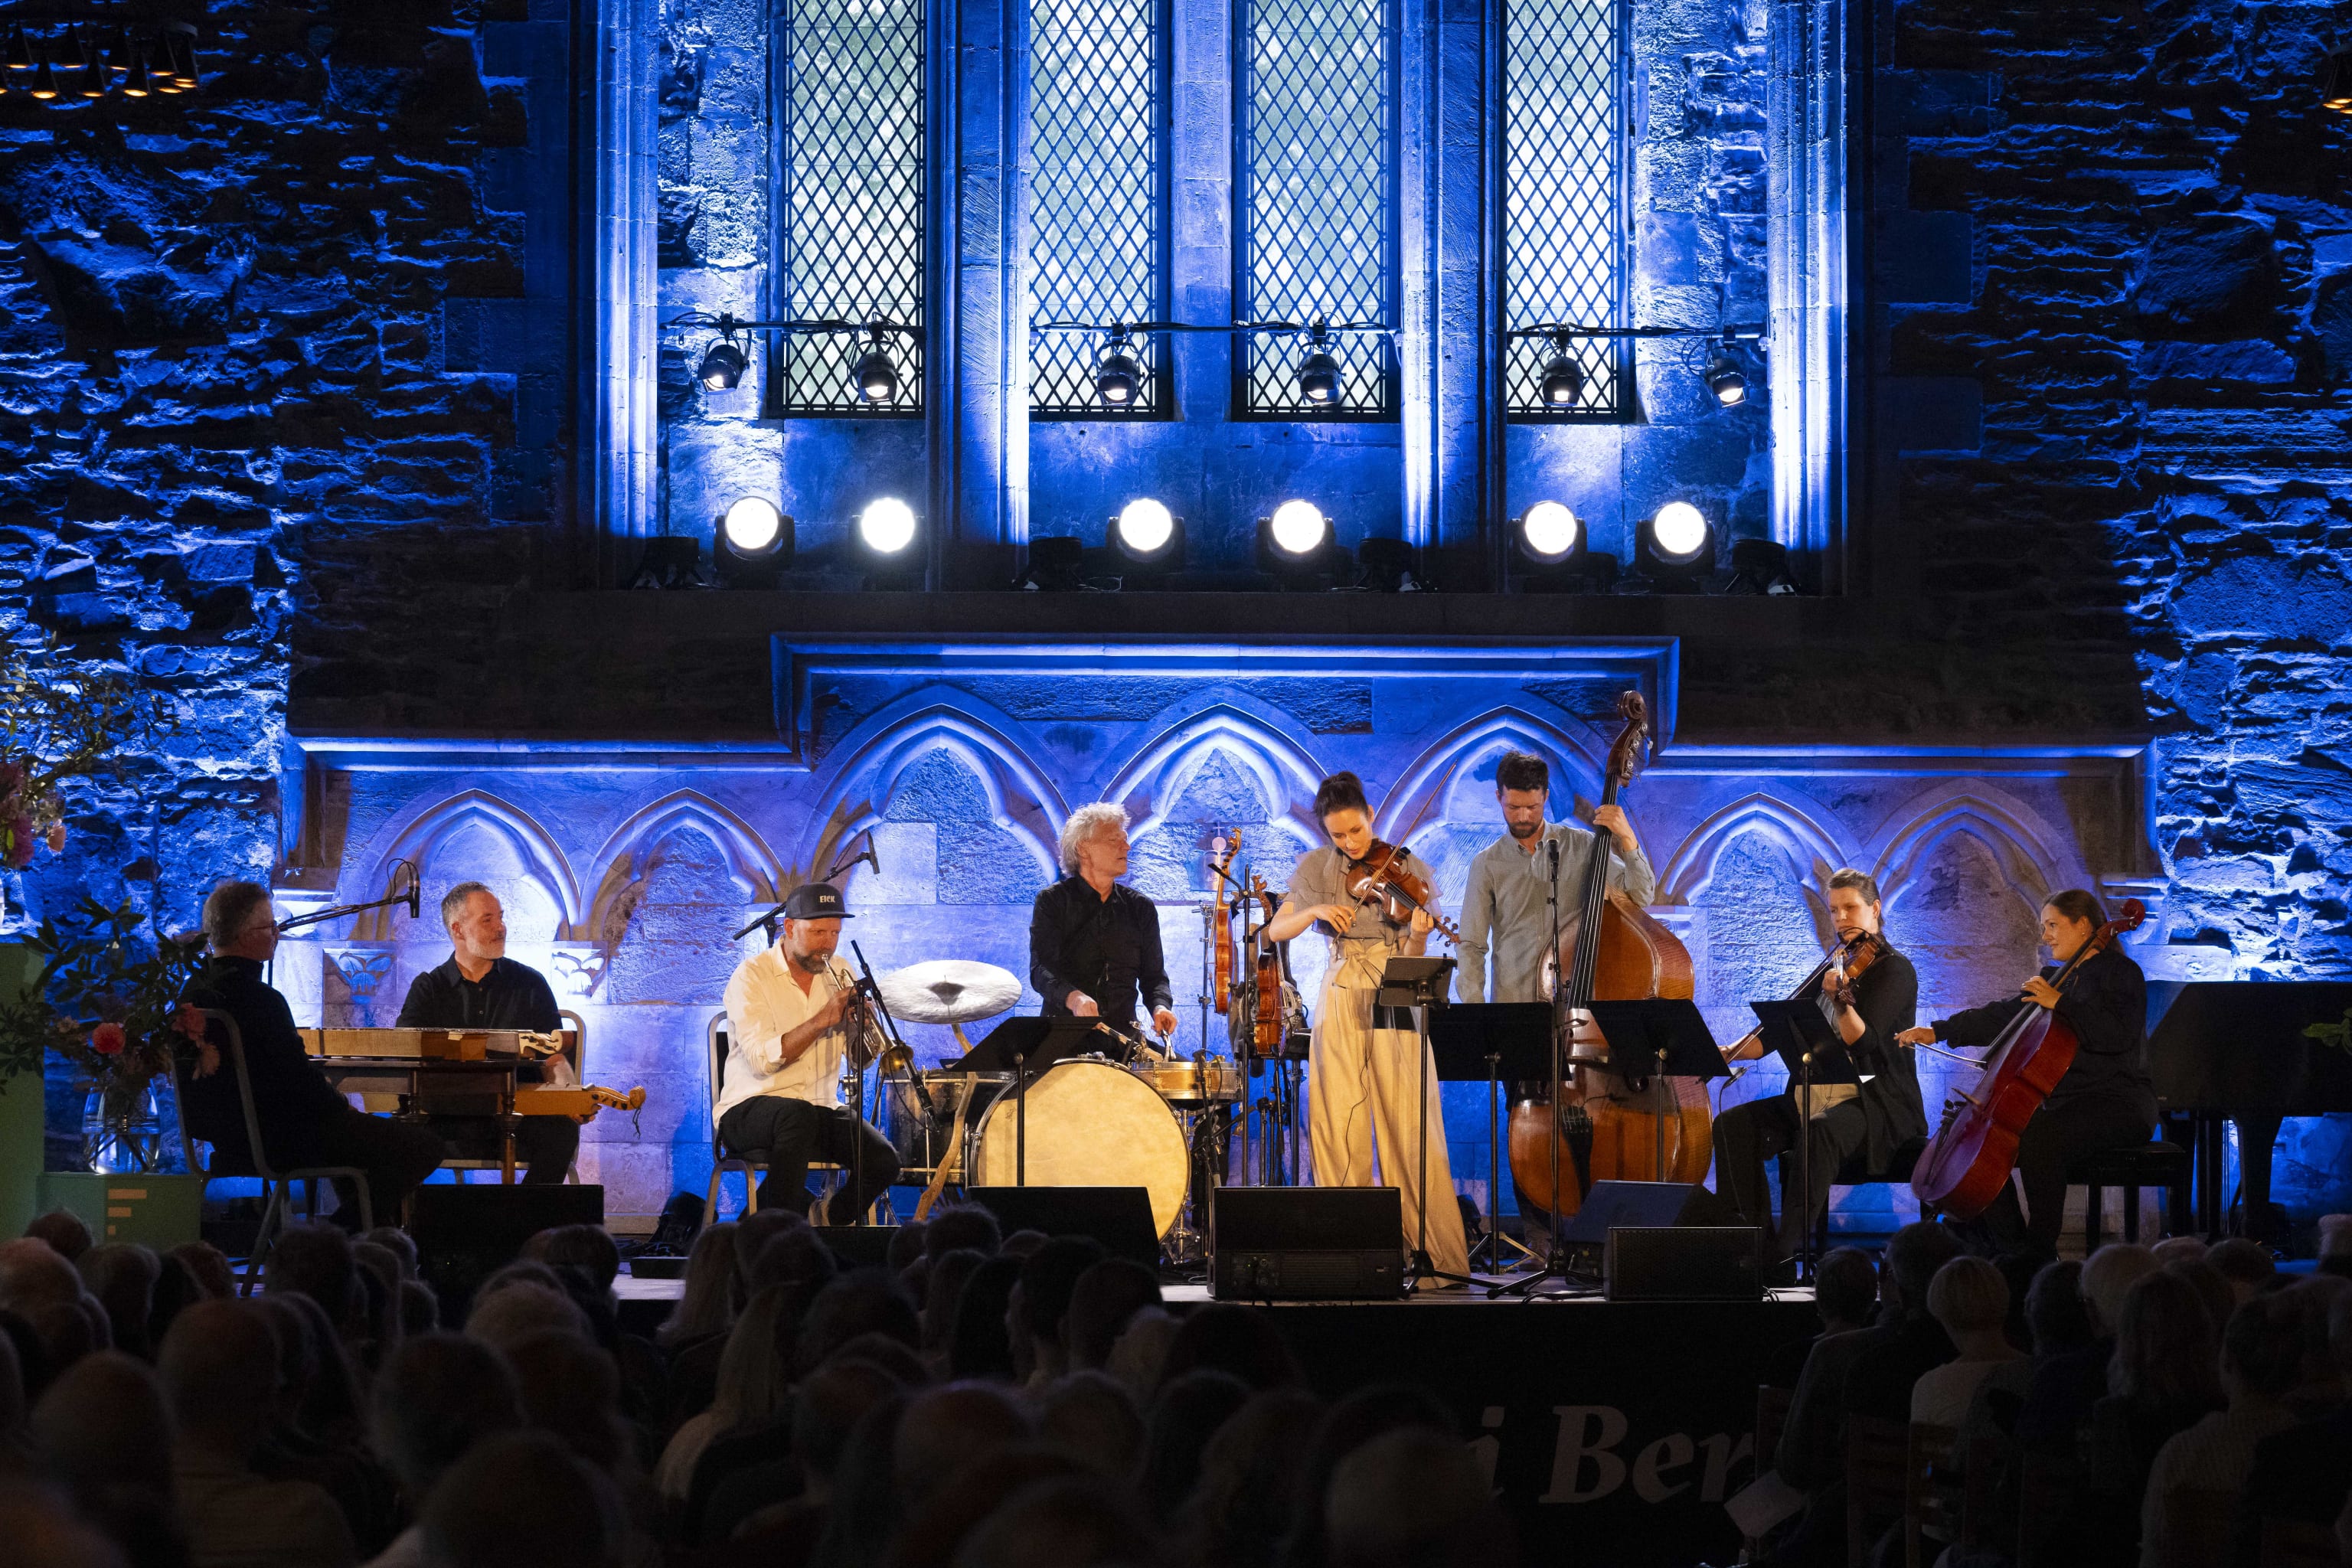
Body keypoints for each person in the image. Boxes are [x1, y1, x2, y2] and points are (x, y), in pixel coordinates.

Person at [1262, 773, 1468, 1281]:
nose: (1349, 844)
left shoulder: (1407, 864)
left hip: (1395, 981)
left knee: (1409, 1121)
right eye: (1338, 835)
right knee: (1338, 1121)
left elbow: (1418, 951)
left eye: (1355, 831)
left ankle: (1434, 1257)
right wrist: (1312, 908)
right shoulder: (1316, 866)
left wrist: (1418, 936)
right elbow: (1275, 929)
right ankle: (1348, 1255)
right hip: (1341, 987)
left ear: (1370, 815)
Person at [1898, 888, 2156, 1262]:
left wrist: (2061, 1004)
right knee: (1989, 1143)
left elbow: (2116, 1035)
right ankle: (2013, 1248)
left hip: (2120, 1101)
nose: (2046, 935)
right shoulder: (2057, 978)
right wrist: (1939, 1030)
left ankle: (2039, 1253)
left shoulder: (2121, 973)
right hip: (2068, 1104)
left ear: (2083, 926)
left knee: (2040, 1137)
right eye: (2043, 926)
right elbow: (2003, 1016)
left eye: (2053, 925)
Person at [181, 881, 446, 1228]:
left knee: (359, 1149)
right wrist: (342, 1106)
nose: (276, 933)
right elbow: (299, 1084)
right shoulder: (261, 1000)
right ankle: (333, 1240)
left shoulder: (190, 996)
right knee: (421, 1146)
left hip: (228, 1140)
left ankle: (361, 1248)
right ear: (246, 936)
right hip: (281, 1140)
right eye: (270, 926)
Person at [1714, 869, 1922, 1261]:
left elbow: (1862, 1042)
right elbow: (1770, 1039)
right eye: (1834, 910)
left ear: (1875, 909)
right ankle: (1749, 1243)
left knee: (1819, 1132)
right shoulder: (1832, 967)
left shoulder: (1896, 970)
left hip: (1874, 1100)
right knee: (1732, 1126)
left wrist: (1842, 999)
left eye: (1851, 908)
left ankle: (1784, 1252)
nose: (1841, 918)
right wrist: (1726, 1049)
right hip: (1821, 1093)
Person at [717, 883, 900, 1223]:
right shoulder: (751, 976)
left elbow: (859, 1059)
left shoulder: (842, 970)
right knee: (796, 1117)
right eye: (817, 932)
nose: (827, 943)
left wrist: (861, 1026)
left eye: (834, 932)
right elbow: (761, 1061)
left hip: (818, 1108)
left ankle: (825, 1221)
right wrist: (822, 1020)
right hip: (748, 1107)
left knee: (885, 1160)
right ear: (789, 928)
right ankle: (780, 1234)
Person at [392, 882, 579, 1184]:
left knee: (561, 1131)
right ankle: (409, 1225)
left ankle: (525, 1223)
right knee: (393, 1133)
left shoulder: (530, 983)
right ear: (458, 930)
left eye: (501, 918)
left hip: (519, 1117)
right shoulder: (429, 988)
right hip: (448, 1119)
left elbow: (552, 1056)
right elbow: (404, 1051)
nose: (501, 928)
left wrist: (570, 1098)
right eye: (488, 920)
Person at [1453, 749, 1654, 1005]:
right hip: (1513, 1006)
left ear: (1546, 797)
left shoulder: (1581, 844)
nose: (1523, 816)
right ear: (1498, 797)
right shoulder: (1486, 864)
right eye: (1513, 807)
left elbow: (1641, 896)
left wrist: (1627, 837)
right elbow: (1471, 945)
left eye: (1532, 807)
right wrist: (1476, 1011)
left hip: (1575, 1002)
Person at [1027, 802, 1178, 1051]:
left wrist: (1160, 1007)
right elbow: (1040, 970)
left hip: (1124, 1041)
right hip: (1065, 1042)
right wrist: (1073, 998)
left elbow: (1154, 978)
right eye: (1114, 840)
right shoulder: (1052, 901)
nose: (1126, 847)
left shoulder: (1141, 908)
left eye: (1125, 839)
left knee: (1197, 1083)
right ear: (1084, 849)